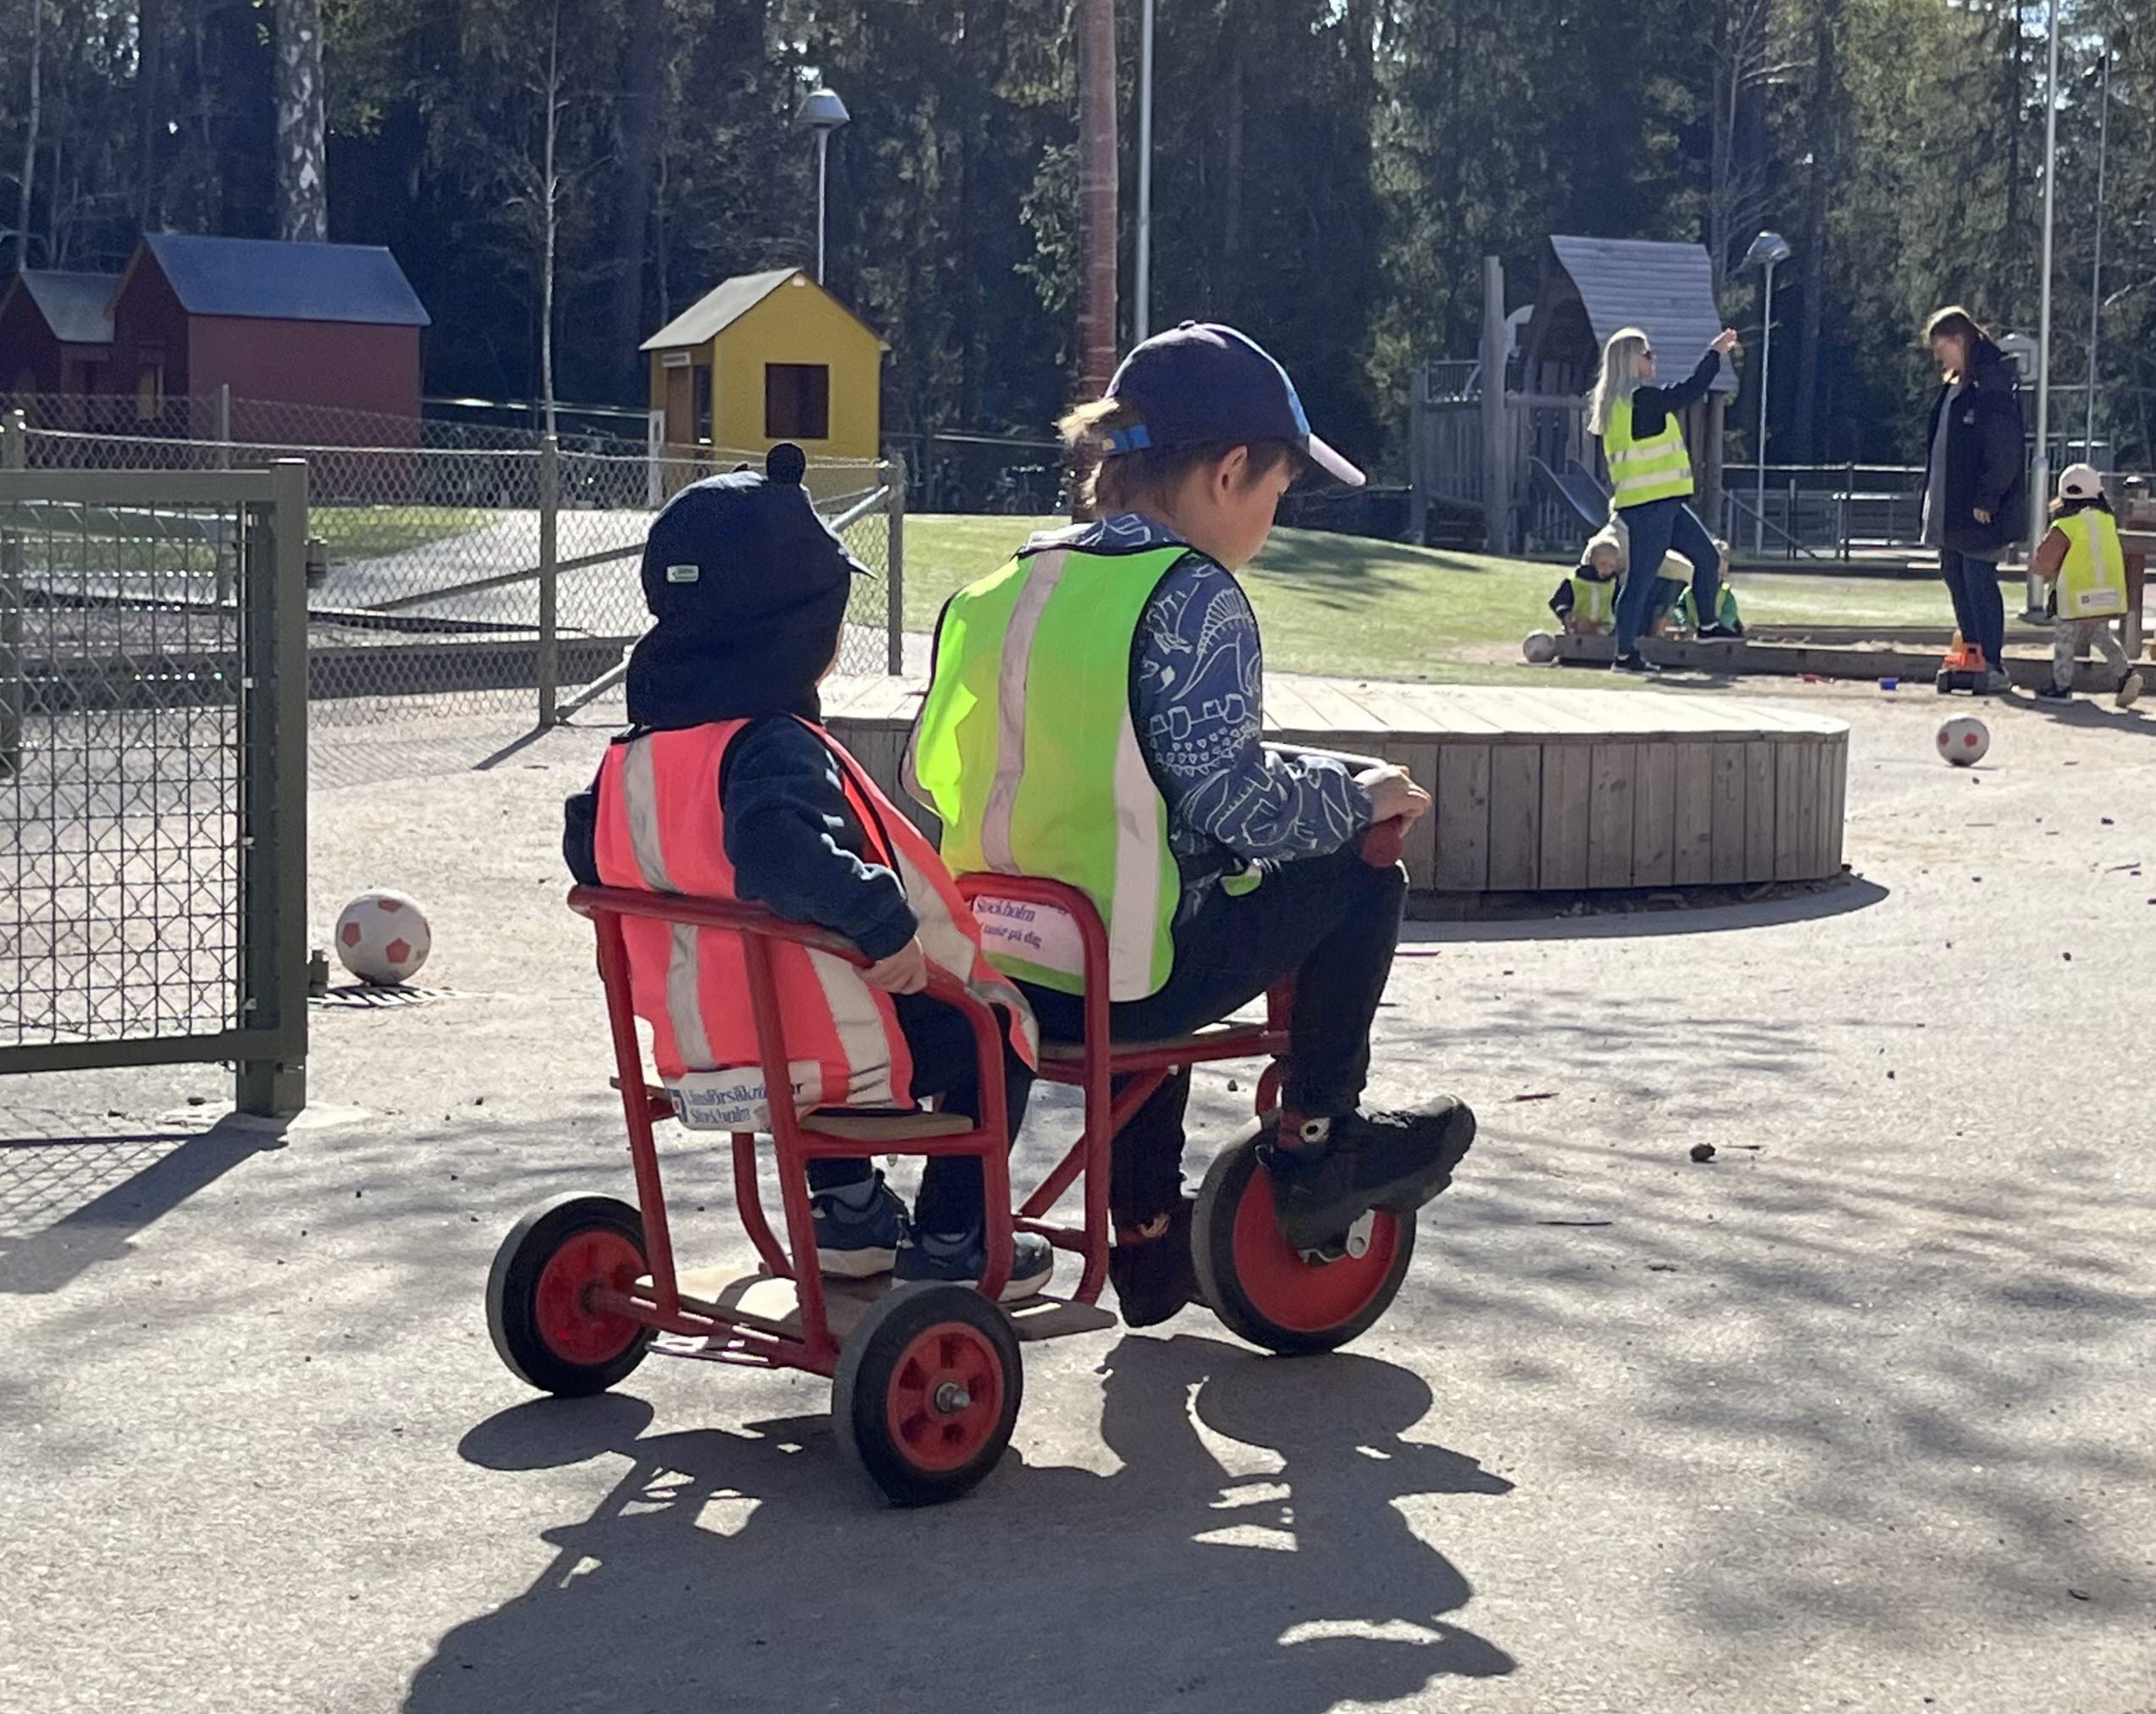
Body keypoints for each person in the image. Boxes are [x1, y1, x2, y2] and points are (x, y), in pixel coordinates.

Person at [911, 322, 1476, 1329]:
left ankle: (1150, 1239)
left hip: (1002, 958)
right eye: (1276, 494)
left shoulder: (1007, 582)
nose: (1271, 518)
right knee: (1354, 878)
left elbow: (944, 767)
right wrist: (1358, 799)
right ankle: (1318, 1140)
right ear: (1227, 472)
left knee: (1165, 896)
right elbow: (1231, 798)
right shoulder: (1193, 596)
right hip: (1131, 974)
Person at [563, 444, 1052, 1299]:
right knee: (997, 1025)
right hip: (825, 1048)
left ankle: (850, 1214)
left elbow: (586, 846)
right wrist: (884, 925)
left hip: (704, 1047)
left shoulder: (630, 760)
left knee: (810, 989)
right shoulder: (769, 745)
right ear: (797, 635)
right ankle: (959, 1237)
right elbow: (778, 852)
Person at [1588, 324, 1743, 671]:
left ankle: (1706, 625)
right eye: (1647, 354)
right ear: (1630, 361)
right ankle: (1625, 655)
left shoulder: (1622, 404)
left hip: (1664, 502)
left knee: (1705, 557)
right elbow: (1689, 390)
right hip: (1650, 506)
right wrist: (1714, 354)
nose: (1652, 358)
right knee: (1641, 578)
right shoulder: (1639, 401)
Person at [1920, 306, 2026, 696]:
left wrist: (1989, 495)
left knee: (1979, 577)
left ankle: (1994, 663)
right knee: (1954, 573)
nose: (1938, 356)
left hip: (1979, 509)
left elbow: (2004, 450)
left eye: (1941, 346)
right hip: (1952, 508)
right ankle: (1973, 652)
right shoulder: (1956, 387)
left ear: (1960, 340)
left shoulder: (1991, 388)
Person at [2030, 462, 2143, 708]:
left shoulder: (2065, 526)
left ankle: (2061, 688)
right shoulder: (2106, 521)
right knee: (2100, 635)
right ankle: (2126, 674)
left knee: (2064, 639)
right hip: (2107, 595)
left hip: (2074, 598)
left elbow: (2044, 563)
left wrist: (2040, 568)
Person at [1549, 531, 1621, 635]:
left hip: (1605, 631)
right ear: (1592, 561)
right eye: (1603, 564)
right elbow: (1559, 602)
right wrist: (1566, 616)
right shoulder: (1575, 582)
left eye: (1611, 566)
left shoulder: (1613, 585)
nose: (1607, 570)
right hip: (1577, 629)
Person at [1674, 539, 1745, 637]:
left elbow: (1730, 614)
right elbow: (1679, 608)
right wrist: (1684, 622)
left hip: (1719, 634)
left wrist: (1719, 627)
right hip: (1692, 632)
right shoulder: (1689, 591)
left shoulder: (1725, 593)